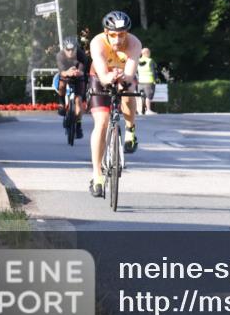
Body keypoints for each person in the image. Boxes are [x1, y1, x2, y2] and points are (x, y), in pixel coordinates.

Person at [87, 11, 143, 198]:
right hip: (100, 76)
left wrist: (122, 79)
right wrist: (109, 77)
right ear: (105, 32)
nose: (118, 39)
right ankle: (97, 175)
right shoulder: (97, 42)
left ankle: (130, 129)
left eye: (122, 34)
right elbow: (102, 75)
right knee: (102, 122)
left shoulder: (134, 43)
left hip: (122, 76)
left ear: (127, 33)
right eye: (113, 35)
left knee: (128, 90)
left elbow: (129, 73)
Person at [54, 36, 90, 138]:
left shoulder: (81, 55)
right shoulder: (60, 56)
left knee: (78, 104)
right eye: (67, 50)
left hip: (79, 77)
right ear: (64, 49)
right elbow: (62, 72)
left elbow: (82, 71)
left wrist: (78, 72)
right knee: (61, 84)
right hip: (66, 74)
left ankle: (78, 125)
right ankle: (61, 103)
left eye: (72, 50)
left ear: (76, 48)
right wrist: (68, 72)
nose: (70, 52)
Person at [137, 47, 158, 115]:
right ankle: (148, 110)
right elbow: (153, 71)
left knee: (140, 96)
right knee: (148, 96)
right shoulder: (150, 61)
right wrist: (155, 80)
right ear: (147, 53)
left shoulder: (138, 61)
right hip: (149, 81)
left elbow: (136, 72)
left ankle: (140, 111)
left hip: (140, 82)